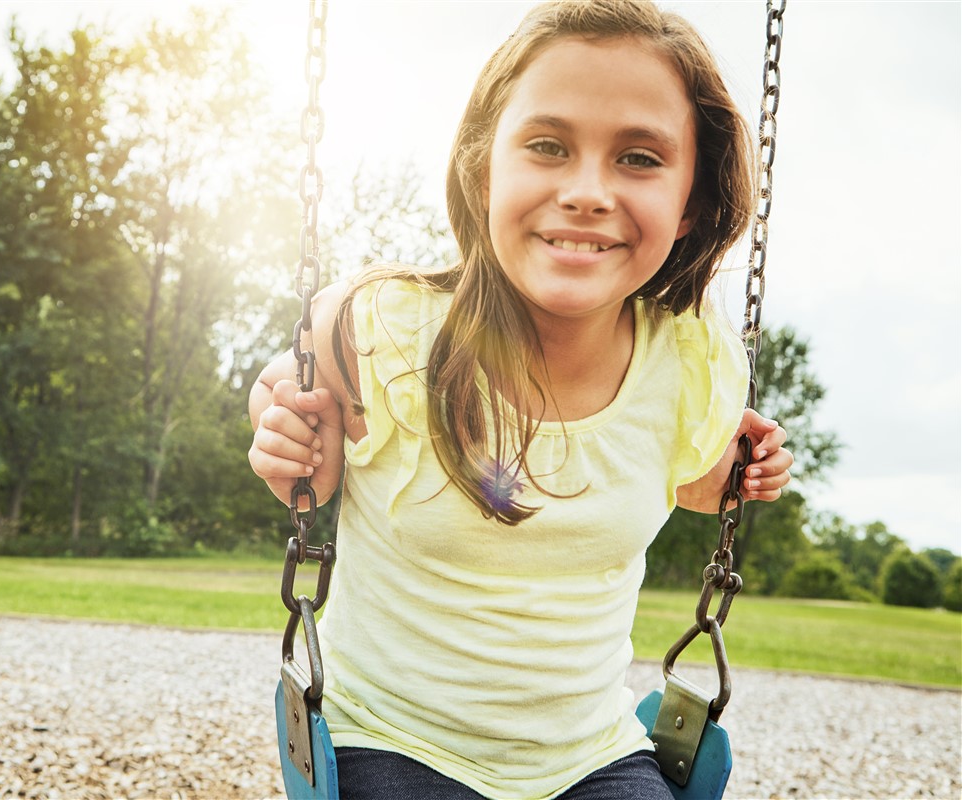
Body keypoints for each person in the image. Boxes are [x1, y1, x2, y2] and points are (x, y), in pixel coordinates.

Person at [249, 1, 794, 798]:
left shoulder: (692, 359)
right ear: (483, 170)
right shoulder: (382, 329)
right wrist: (284, 440)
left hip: (591, 756)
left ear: (692, 207)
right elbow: (285, 405)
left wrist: (751, 470)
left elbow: (696, 485)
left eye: (639, 158)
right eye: (547, 146)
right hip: (394, 741)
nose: (585, 191)